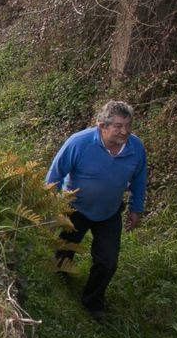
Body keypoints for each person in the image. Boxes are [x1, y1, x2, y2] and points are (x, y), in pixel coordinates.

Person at [46, 100, 147, 319]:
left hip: (109, 212)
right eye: (118, 126)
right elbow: (55, 174)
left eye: (128, 125)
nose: (125, 131)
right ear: (102, 125)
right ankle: (59, 281)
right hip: (75, 209)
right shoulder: (79, 143)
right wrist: (52, 205)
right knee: (64, 250)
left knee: (108, 262)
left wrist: (135, 208)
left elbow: (139, 179)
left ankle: (93, 303)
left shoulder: (135, 147)